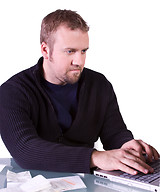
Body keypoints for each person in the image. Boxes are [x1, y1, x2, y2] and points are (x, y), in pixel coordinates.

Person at [0, 9, 159, 174]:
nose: (79, 61)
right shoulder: (12, 92)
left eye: (83, 51)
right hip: (33, 189)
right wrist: (95, 157)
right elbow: (25, 151)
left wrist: (127, 146)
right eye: (70, 51)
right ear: (46, 50)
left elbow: (115, 134)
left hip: (87, 189)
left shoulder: (100, 85)